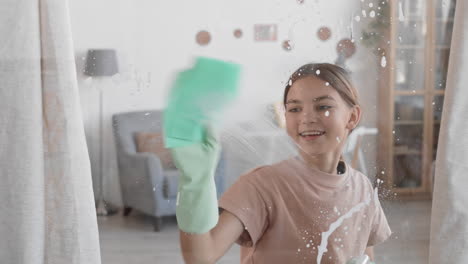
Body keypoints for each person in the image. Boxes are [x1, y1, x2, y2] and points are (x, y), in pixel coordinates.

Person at [172, 63, 391, 264]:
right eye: (294, 109)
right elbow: (201, 256)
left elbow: (365, 257)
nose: (306, 118)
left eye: (323, 106)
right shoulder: (261, 186)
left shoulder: (362, 189)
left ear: (352, 117)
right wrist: (195, 180)